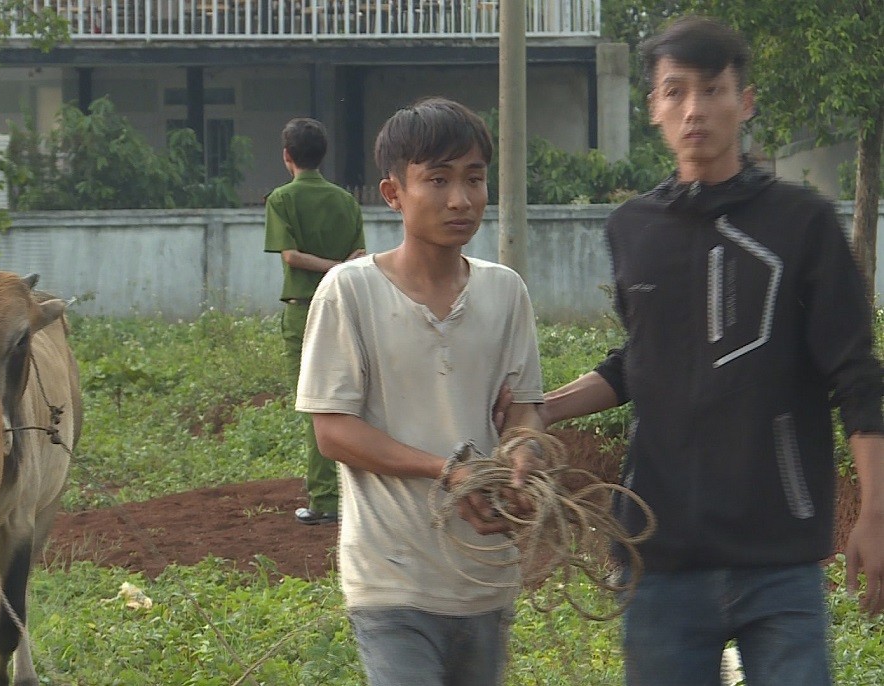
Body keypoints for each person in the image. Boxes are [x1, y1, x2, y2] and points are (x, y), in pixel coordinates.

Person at [537, 17, 884, 686]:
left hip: (778, 553)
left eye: (713, 89)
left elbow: (856, 376)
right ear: (653, 109)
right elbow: (639, 360)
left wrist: (875, 512)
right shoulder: (631, 228)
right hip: (657, 555)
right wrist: (540, 410)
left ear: (744, 101)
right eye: (676, 92)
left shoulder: (803, 223)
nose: (695, 109)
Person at [297, 98, 545, 685]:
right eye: (437, 179)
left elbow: (526, 412)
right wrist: (448, 471)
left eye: (474, 179)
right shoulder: (348, 292)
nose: (460, 199)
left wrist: (523, 458)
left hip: (485, 573)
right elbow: (333, 431)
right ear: (393, 193)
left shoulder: (506, 292)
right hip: (391, 578)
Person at [264, 117, 366, 525]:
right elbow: (360, 257)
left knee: (316, 407)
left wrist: (328, 267)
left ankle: (324, 499)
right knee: (350, 402)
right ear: (323, 155)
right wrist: (341, 269)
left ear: (287, 156)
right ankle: (356, 494)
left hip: (303, 309)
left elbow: (290, 256)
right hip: (344, 306)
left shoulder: (281, 199)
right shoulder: (346, 201)